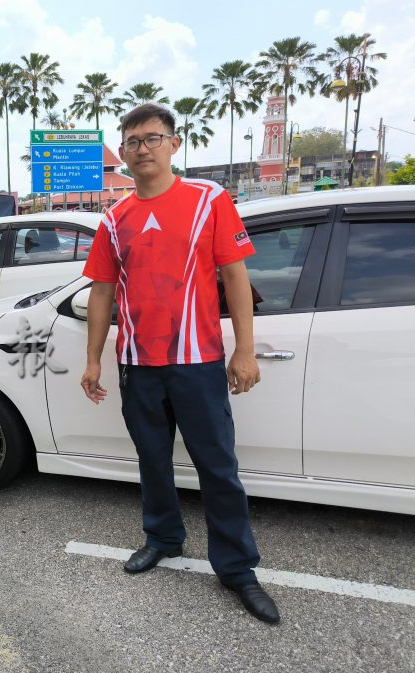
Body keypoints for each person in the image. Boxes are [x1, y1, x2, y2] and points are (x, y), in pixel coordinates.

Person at [79, 103, 280, 624]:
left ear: (174, 143)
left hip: (197, 361)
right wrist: (94, 361)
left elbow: (235, 277)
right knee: (152, 460)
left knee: (218, 468)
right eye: (132, 141)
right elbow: (101, 291)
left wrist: (244, 349)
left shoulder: (208, 199)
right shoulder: (113, 218)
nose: (141, 148)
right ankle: (163, 538)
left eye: (152, 138)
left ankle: (237, 570)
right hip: (138, 364)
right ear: (122, 152)